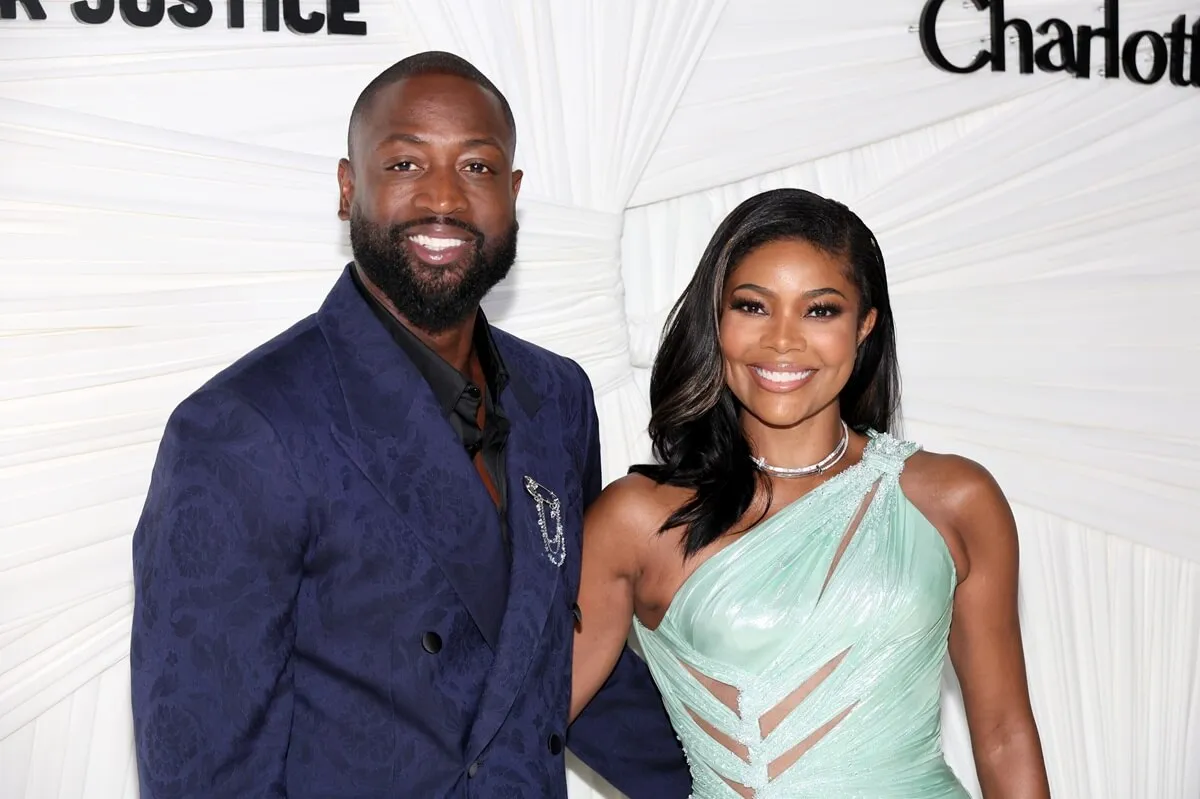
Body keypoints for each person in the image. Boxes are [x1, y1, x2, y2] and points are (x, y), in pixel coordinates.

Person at [129, 51, 689, 799]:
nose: (444, 199)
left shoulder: (557, 395)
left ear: (513, 194)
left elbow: (553, 648)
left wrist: (744, 778)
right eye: (404, 163)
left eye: (478, 168)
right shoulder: (242, 429)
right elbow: (203, 769)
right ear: (347, 187)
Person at [570, 188, 1051, 797]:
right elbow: (529, 724)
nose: (783, 341)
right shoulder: (638, 519)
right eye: (752, 307)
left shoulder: (955, 498)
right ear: (715, 321)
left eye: (820, 311)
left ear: (864, 326)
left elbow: (1005, 733)